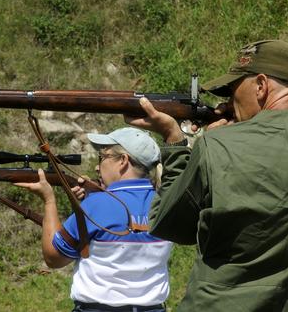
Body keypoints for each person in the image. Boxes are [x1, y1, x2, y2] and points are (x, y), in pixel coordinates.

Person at [125, 40, 288, 311]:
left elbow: (168, 223)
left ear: (260, 86)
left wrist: (175, 142)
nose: (226, 102)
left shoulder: (217, 146)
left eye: (232, 90)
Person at [15, 127, 173, 312]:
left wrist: (49, 200)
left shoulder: (96, 205)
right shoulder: (167, 204)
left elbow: (53, 259)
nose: (98, 166)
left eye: (103, 157)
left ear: (123, 161)